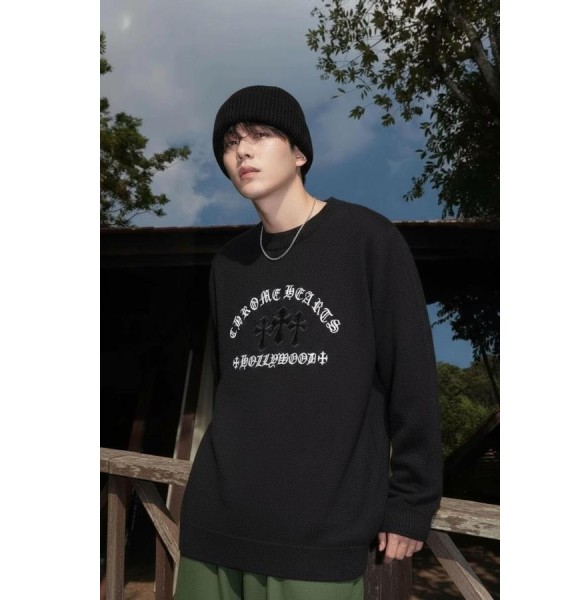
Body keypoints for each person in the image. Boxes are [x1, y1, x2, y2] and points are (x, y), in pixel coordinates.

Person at [175, 85, 442, 600]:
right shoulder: (228, 264)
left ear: (299, 152)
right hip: (214, 526)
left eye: (259, 134)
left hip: (318, 538)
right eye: (229, 142)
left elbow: (411, 376)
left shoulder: (367, 239)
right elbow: (231, 390)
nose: (242, 150)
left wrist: (412, 500)